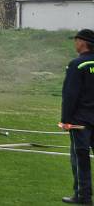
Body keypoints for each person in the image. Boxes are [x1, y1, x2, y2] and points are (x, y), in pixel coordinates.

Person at [61, 29, 94, 205]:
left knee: (80, 158)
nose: (75, 43)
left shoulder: (77, 64)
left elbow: (70, 95)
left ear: (82, 42)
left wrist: (66, 120)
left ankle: (83, 196)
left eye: (76, 40)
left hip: (80, 121)